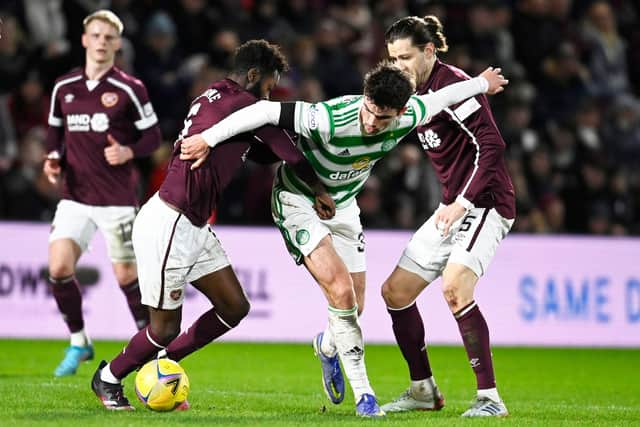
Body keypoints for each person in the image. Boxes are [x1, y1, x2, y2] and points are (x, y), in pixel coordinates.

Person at [179, 60, 508, 418]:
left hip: (344, 204)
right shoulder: (328, 118)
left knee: (356, 305)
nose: (371, 122)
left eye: (383, 119)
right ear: (364, 98)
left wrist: (480, 82)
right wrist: (207, 139)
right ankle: (365, 397)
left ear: (400, 113)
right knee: (341, 291)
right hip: (299, 199)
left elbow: (446, 95)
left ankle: (327, 345)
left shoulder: (412, 112)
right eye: (369, 111)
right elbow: (262, 111)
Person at [90, 39, 336, 411]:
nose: (269, 95)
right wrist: (319, 189)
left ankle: (162, 367)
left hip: (193, 223)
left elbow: (256, 150)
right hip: (170, 221)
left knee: (234, 306)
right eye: (269, 86)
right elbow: (288, 154)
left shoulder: (212, 97)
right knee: (163, 329)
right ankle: (109, 377)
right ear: (254, 76)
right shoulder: (245, 105)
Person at [379, 16, 516, 417]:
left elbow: (492, 145)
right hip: (451, 205)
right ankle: (423, 390)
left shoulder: (451, 85)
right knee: (396, 293)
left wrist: (465, 202)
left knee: (455, 287)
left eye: (405, 57)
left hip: (486, 202)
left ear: (428, 51)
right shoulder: (411, 93)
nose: (398, 65)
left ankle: (490, 399)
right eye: (392, 58)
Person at [43, 10, 161, 377]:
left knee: (127, 277)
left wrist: (129, 151)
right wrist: (52, 158)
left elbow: (154, 138)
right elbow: (54, 131)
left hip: (117, 199)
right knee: (59, 268)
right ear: (84, 40)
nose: (101, 42)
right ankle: (79, 341)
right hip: (75, 196)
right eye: (96, 35)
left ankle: (152, 351)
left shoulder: (130, 88)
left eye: (109, 37)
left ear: (117, 44)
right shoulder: (64, 87)